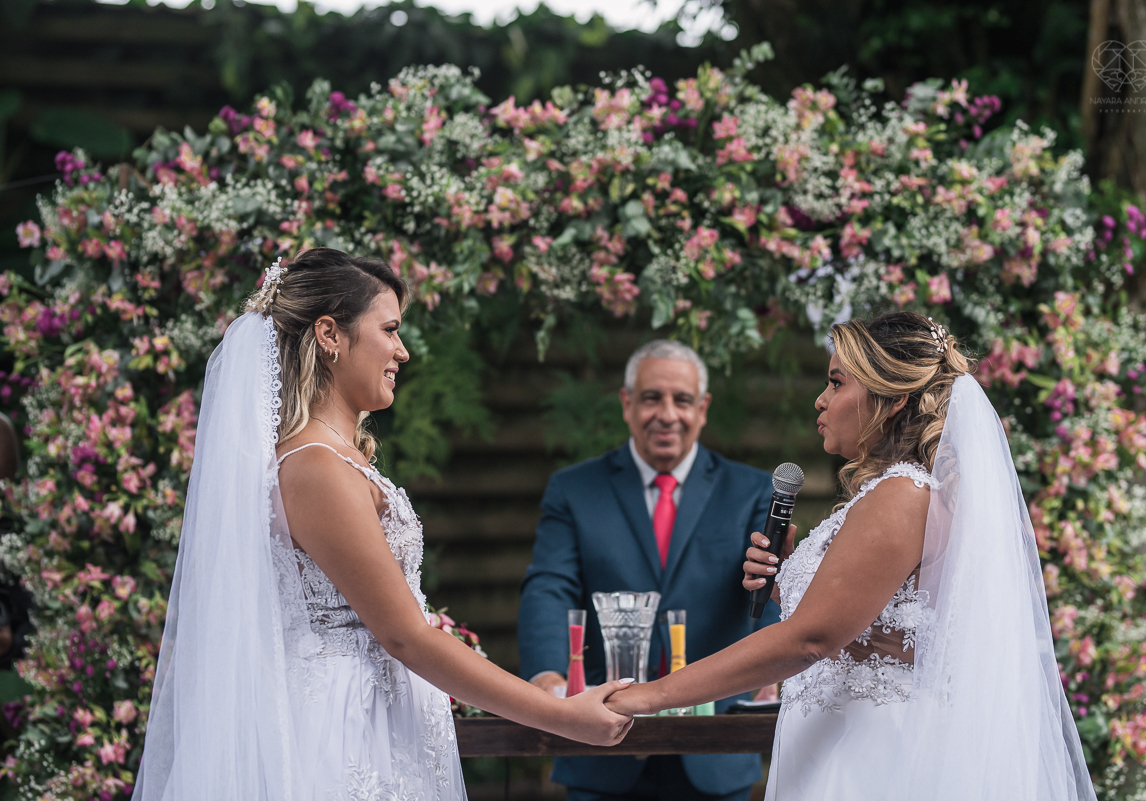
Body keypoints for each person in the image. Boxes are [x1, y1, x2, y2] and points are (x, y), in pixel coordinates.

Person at [133, 248, 633, 801]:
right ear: (330, 334)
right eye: (390, 330)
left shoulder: (338, 459)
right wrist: (558, 716)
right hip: (342, 735)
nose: (403, 350)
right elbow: (403, 634)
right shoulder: (315, 467)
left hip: (383, 720)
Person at [604, 311, 1097, 800]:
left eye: (837, 383)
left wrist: (649, 696)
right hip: (843, 741)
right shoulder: (903, 492)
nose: (821, 400)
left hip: (871, 757)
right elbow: (879, 631)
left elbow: (811, 640)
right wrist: (789, 584)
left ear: (892, 396)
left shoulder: (902, 494)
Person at [519, 339, 780, 801]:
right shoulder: (574, 489)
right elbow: (549, 588)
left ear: (702, 408)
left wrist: (773, 672)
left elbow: (768, 589)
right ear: (626, 403)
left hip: (715, 745)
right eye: (651, 398)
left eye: (681, 400)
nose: (667, 414)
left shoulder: (752, 491)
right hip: (600, 741)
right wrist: (548, 679)